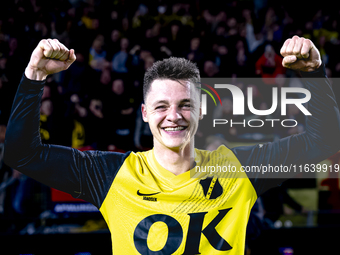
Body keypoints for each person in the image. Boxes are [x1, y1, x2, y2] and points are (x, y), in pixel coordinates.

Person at [4, 36, 340, 254]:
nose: (173, 116)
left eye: (185, 105)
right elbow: (22, 154)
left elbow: (324, 139)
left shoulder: (238, 171)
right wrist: (34, 76)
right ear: (145, 113)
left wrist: (313, 72)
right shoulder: (110, 174)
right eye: (162, 106)